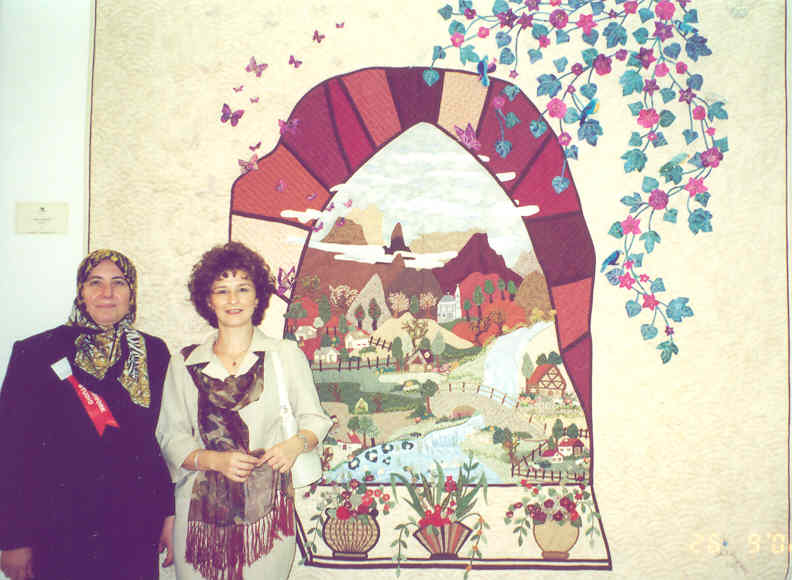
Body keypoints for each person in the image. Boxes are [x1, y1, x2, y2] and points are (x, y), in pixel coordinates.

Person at [156, 241, 331, 580]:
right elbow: (170, 435)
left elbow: (315, 419)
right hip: (198, 517)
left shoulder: (285, 355)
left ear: (257, 297)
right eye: (222, 290)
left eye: (242, 288)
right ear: (209, 300)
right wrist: (215, 460)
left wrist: (294, 445)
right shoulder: (184, 362)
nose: (232, 299)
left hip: (266, 519)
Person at [0, 249, 175, 580]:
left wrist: (170, 514)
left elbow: (162, 439)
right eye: (95, 282)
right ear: (81, 291)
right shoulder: (36, 352)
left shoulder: (153, 353)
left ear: (132, 293)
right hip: (57, 527)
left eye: (118, 283)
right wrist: (13, 539)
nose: (107, 293)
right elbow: (9, 449)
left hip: (133, 525)